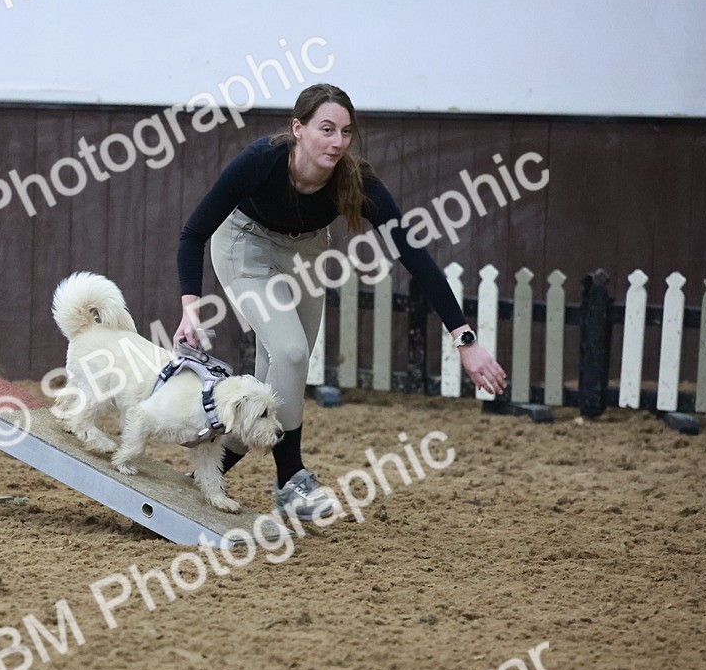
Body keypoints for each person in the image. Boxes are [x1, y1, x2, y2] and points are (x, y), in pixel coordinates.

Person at [172, 83, 507, 521]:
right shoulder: (261, 161)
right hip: (245, 247)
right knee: (290, 351)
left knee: (281, 369)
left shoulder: (355, 180)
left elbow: (415, 254)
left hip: (306, 253)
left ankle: (214, 466)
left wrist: (466, 340)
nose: (337, 142)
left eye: (346, 132)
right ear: (298, 129)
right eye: (326, 129)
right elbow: (193, 233)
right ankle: (291, 480)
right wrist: (190, 308)